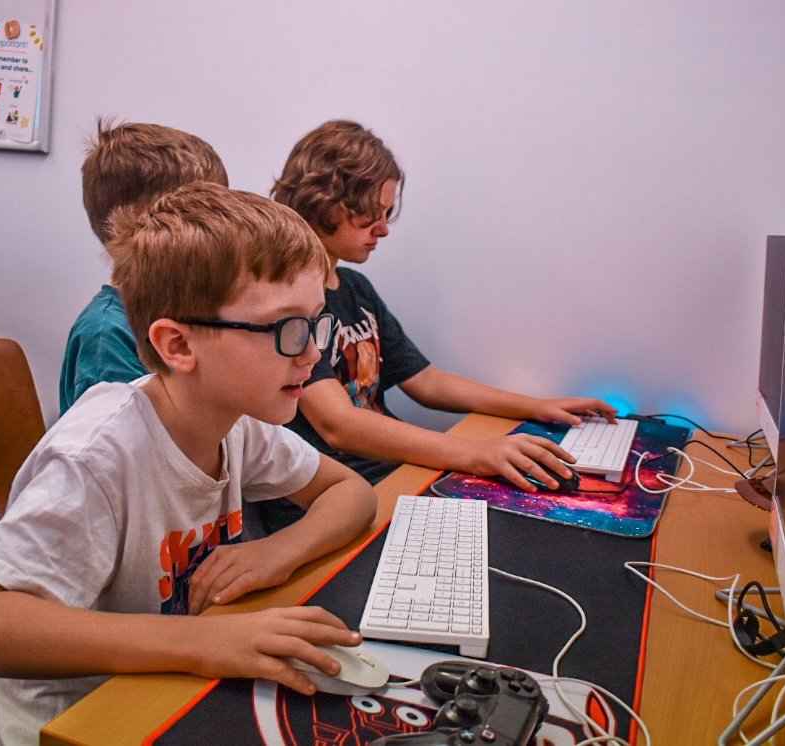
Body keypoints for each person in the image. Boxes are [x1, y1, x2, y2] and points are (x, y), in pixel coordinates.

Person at [0, 183, 378, 745]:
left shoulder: (236, 420)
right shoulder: (96, 458)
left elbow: (352, 494)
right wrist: (201, 643)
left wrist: (276, 552)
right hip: (84, 721)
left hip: (167, 682)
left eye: (315, 323)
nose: (312, 352)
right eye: (287, 328)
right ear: (178, 346)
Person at [261, 119, 617, 530]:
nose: (382, 230)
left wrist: (539, 405)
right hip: (333, 499)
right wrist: (474, 452)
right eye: (369, 217)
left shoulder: (355, 288)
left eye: (387, 214)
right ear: (325, 204)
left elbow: (428, 382)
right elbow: (338, 425)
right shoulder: (286, 301)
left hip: (387, 474)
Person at [59, 118, 229, 415]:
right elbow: (122, 447)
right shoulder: (106, 334)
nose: (221, 226)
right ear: (138, 225)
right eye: (202, 214)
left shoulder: (184, 312)